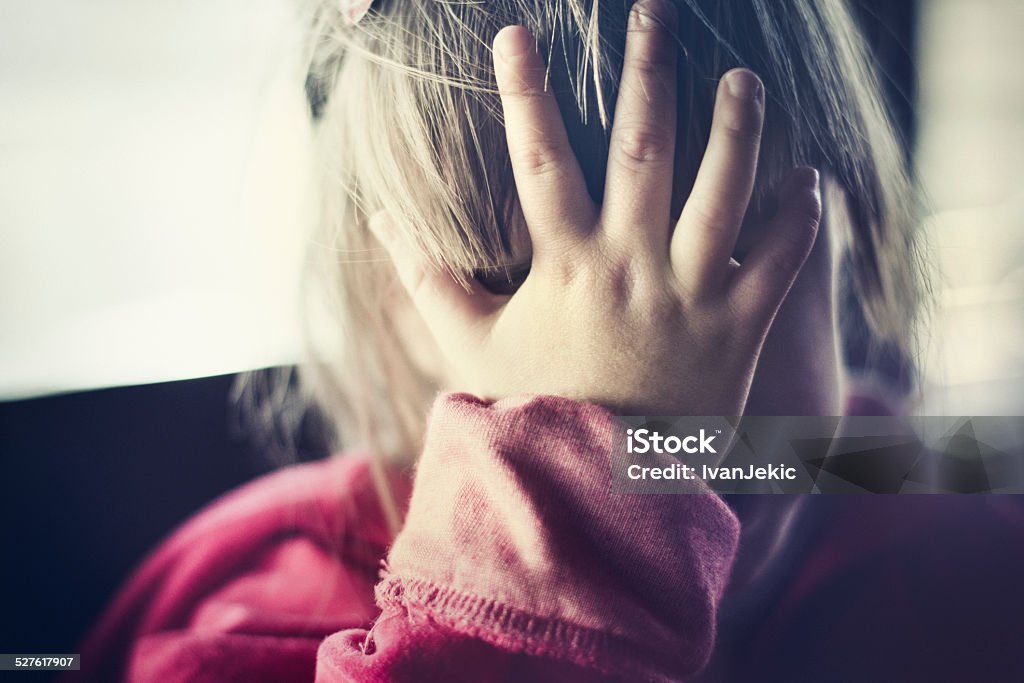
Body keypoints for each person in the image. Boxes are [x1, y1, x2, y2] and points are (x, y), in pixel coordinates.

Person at [70, 1, 1024, 681]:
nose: (672, 383)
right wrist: (562, 559)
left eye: (729, 251)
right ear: (381, 305)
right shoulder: (263, 610)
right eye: (515, 284)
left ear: (847, 226)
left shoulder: (936, 504)